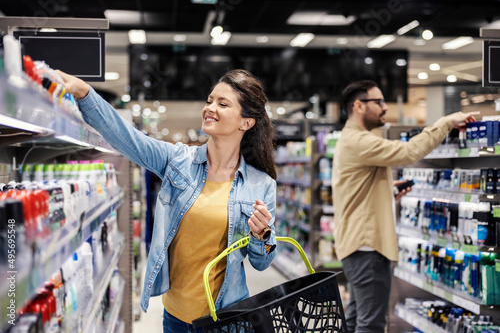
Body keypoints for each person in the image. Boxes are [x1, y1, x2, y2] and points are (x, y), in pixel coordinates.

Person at [57, 69, 278, 333]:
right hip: (175, 318)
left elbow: (261, 263)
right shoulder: (178, 161)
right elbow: (129, 139)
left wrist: (261, 234)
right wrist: (85, 94)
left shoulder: (261, 184)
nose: (210, 108)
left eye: (223, 104)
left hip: (226, 320)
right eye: (210, 100)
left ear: (246, 122)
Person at [332, 80, 479, 333]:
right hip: (368, 248)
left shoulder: (351, 140)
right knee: (371, 325)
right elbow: (410, 152)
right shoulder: (359, 141)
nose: (385, 107)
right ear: (358, 106)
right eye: (378, 102)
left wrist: (387, 193)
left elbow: (356, 193)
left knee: (357, 320)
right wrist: (446, 122)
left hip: (357, 245)